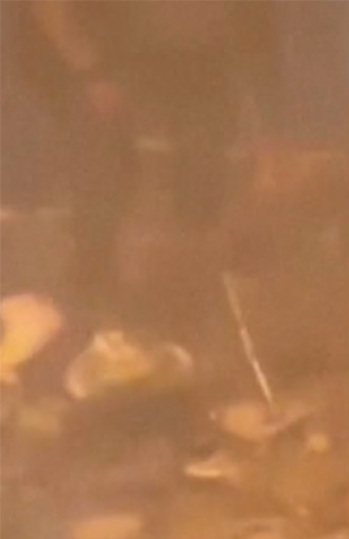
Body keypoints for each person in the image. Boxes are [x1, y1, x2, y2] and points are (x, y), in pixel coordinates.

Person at [7, 0, 274, 327]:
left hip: (191, 59)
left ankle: (189, 279)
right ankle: (93, 268)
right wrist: (92, 71)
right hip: (104, 53)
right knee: (99, 140)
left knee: (203, 153)